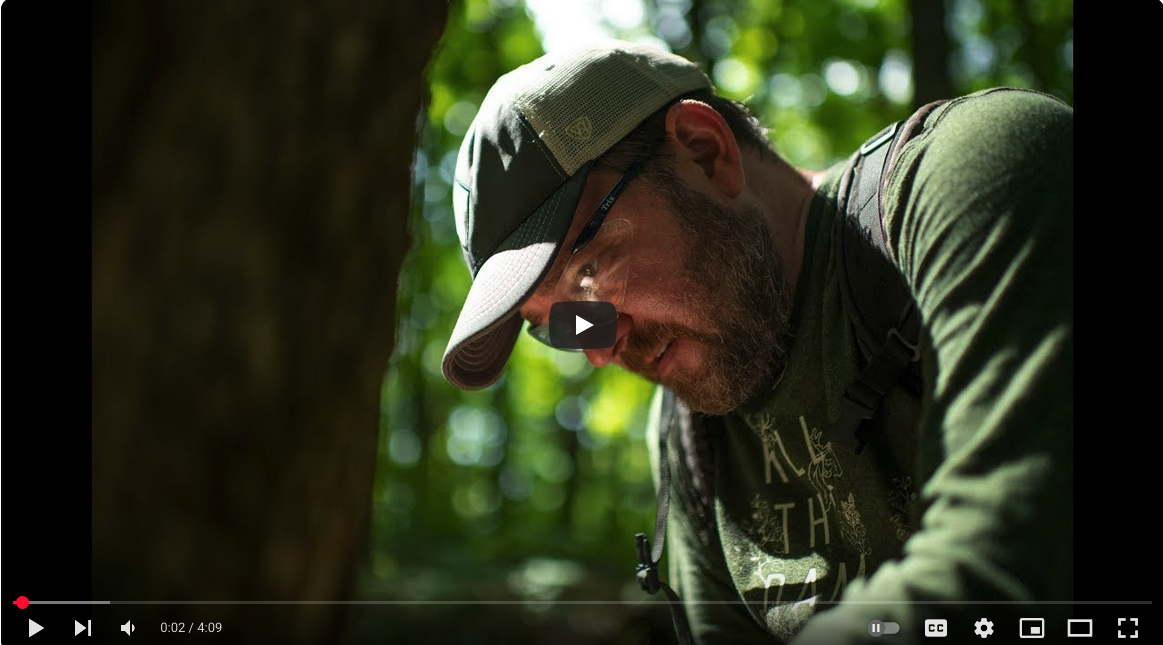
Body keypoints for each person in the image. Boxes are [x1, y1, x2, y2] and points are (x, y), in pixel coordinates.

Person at [440, 40, 1072, 644]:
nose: (600, 349)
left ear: (705, 152)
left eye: (587, 277)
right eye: (559, 325)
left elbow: (1008, 571)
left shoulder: (971, 176)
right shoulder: (690, 437)